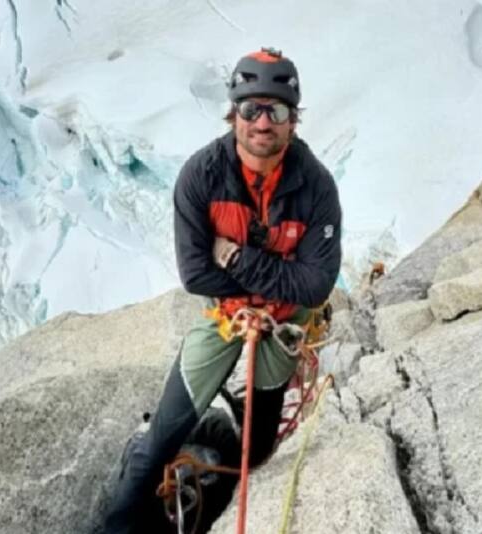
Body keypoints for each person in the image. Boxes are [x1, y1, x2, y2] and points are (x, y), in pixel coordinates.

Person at [103, 47, 342, 533]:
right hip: (225, 317)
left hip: (281, 325)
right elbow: (195, 274)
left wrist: (235, 256)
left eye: (275, 110)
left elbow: (315, 287)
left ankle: (225, 442)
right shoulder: (201, 176)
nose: (262, 122)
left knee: (259, 450)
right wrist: (275, 275)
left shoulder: (315, 186)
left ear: (293, 121)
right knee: (159, 441)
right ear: (233, 113)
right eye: (251, 108)